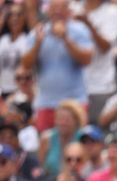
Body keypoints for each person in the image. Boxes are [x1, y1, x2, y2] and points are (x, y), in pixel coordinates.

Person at [20, 0, 93, 131]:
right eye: (54, 7)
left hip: (75, 102)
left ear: (68, 10)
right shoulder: (38, 32)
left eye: (61, 7)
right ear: (47, 10)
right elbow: (25, 64)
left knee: (74, 146)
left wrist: (66, 38)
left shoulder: (79, 30)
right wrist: (38, 44)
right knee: (46, 145)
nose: (57, 11)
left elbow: (87, 60)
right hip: (46, 102)